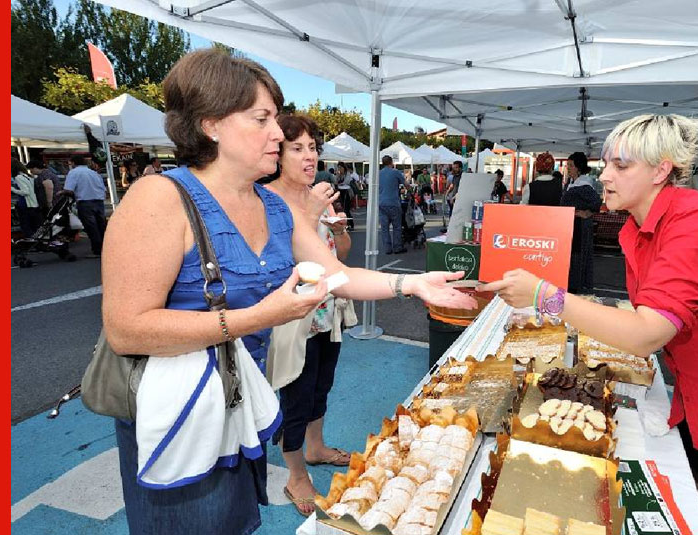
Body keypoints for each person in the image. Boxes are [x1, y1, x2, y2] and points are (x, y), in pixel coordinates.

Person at [101, 49, 475, 535]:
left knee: (233, 521)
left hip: (239, 400)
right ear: (211, 124)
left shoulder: (273, 208)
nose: (279, 133)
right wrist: (262, 315)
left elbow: (336, 273)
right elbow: (127, 329)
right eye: (262, 119)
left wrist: (411, 283)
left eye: (275, 118)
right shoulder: (160, 198)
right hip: (177, 413)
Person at [479, 114, 698, 535]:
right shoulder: (641, 225)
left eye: (621, 166)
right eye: (606, 163)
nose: (605, 176)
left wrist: (545, 296)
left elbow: (647, 333)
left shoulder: (696, 222)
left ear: (661, 170)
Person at [260, 113, 357, 516]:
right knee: (296, 397)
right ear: (278, 153)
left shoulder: (319, 196)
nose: (308, 157)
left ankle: (316, 448)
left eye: (313, 148)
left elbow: (343, 256)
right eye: (296, 148)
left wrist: (338, 229)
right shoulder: (267, 199)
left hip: (328, 312)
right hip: (293, 319)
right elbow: (282, 255)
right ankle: (295, 475)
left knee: (322, 386)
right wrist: (315, 212)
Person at [561, 152, 602, 294]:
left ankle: (575, 285)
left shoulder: (583, 184)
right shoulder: (572, 183)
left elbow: (597, 202)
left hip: (579, 227)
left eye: (571, 165)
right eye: (568, 165)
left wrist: (585, 213)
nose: (568, 168)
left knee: (577, 256)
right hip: (572, 225)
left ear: (579, 167)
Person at [64, 154, 108, 258]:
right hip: (99, 201)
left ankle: (97, 250)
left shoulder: (74, 173)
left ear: (73, 163)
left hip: (85, 201)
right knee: (101, 225)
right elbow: (103, 188)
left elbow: (69, 189)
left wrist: (62, 192)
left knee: (91, 227)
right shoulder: (94, 173)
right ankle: (105, 247)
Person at [376, 155, 407, 254]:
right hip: (393, 202)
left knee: (384, 228)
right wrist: (409, 190)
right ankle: (397, 247)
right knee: (397, 226)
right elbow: (406, 184)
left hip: (381, 203)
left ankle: (387, 249)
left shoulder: (378, 174)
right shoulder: (395, 172)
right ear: (391, 162)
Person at [10, 159, 40, 237]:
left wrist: (12, 189)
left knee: (25, 224)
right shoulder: (27, 176)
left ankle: (29, 241)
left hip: (25, 203)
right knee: (33, 225)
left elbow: (25, 192)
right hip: (33, 203)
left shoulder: (18, 177)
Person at [334, 163, 355, 229]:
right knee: (342, 209)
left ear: (344, 167)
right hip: (341, 192)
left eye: (341, 167)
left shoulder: (347, 174)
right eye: (339, 167)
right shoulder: (339, 175)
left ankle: (350, 224)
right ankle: (346, 224)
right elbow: (336, 181)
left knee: (346, 209)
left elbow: (346, 182)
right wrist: (337, 175)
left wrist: (340, 183)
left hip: (346, 192)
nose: (340, 169)